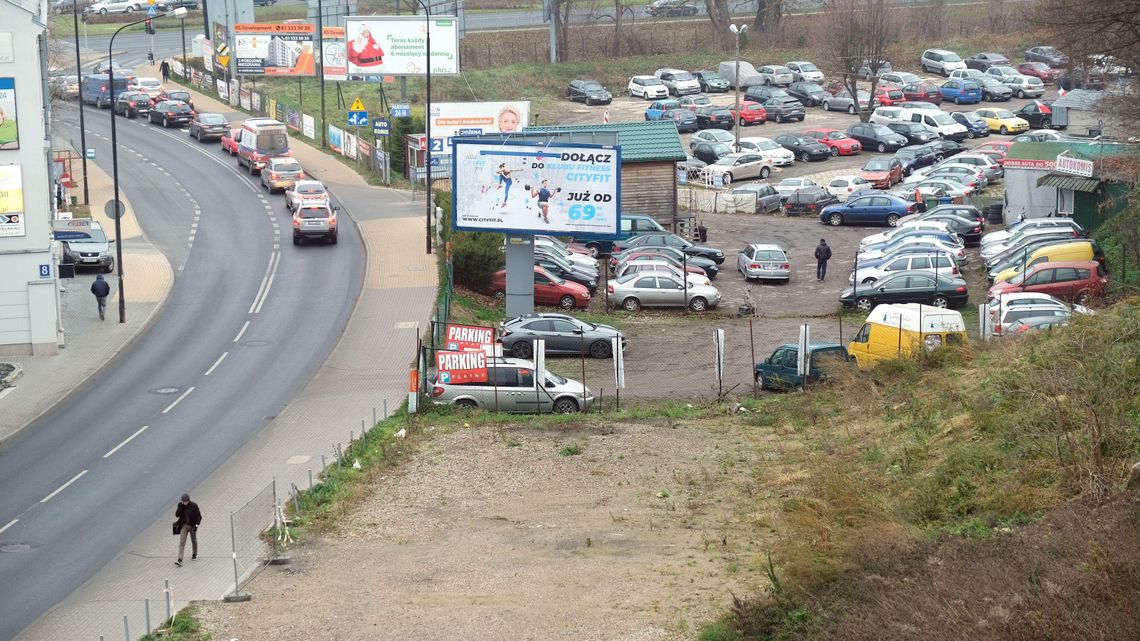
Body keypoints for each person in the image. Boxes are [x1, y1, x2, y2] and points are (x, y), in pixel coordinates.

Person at [174, 493, 202, 567]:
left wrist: (196, 525)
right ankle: (180, 559)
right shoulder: (180, 505)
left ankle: (194, 554)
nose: (185, 502)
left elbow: (199, 516)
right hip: (184, 525)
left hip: (192, 525)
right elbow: (177, 515)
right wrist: (181, 508)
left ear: (188, 500)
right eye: (183, 501)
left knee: (193, 540)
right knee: (182, 541)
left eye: (186, 501)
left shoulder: (194, 505)